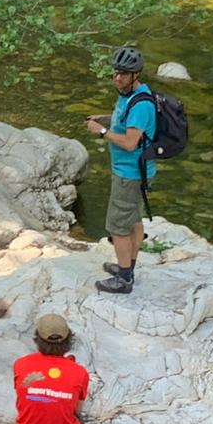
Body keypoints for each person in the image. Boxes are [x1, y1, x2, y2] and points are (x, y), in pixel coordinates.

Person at [87, 45, 157, 295]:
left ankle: (124, 279)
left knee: (118, 228)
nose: (118, 77)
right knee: (134, 221)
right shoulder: (129, 96)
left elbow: (130, 142)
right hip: (134, 172)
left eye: (124, 73)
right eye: (116, 72)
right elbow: (126, 121)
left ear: (136, 74)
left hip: (130, 174)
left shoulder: (141, 105)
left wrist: (103, 132)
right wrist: (107, 119)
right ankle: (128, 267)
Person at [13, 313, 90, 424]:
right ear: (69, 340)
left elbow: (21, 398)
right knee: (80, 422)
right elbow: (77, 410)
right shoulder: (80, 372)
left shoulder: (21, 364)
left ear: (37, 340)